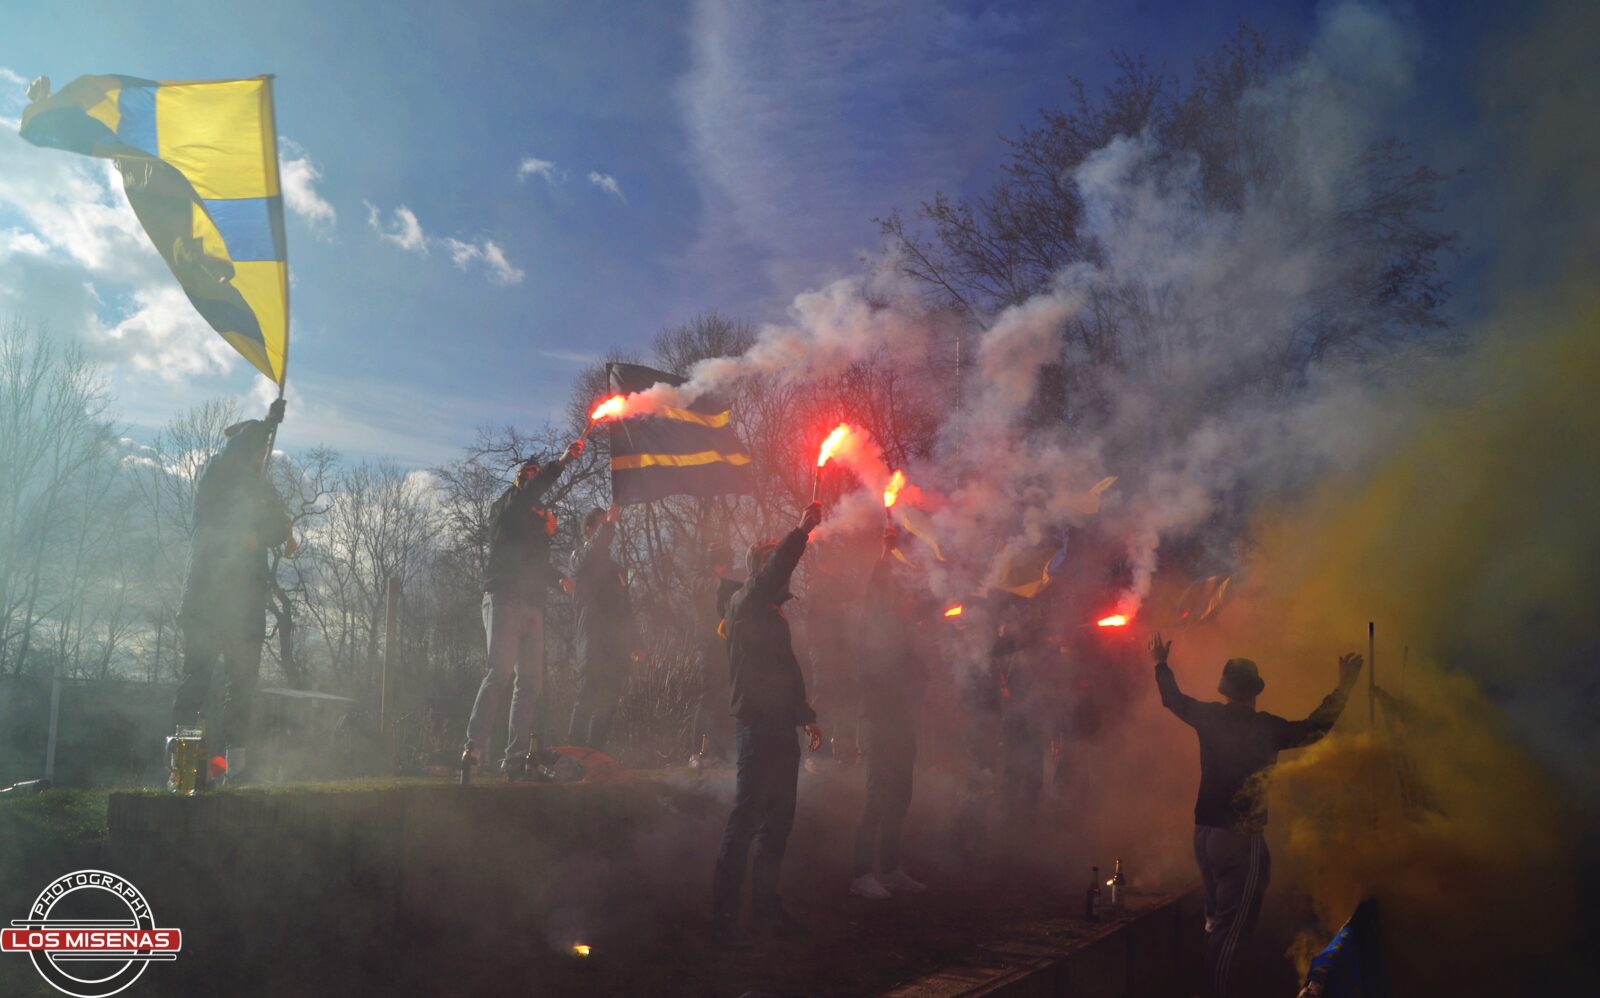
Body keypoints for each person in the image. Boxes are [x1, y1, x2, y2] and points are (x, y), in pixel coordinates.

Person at [1150, 632, 1363, 998]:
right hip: (1239, 837)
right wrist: (1344, 687)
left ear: (1226, 689)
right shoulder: (1266, 727)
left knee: (1217, 925)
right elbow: (1316, 727)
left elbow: (1172, 698)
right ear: (1255, 692)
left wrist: (1160, 663)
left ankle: (1216, 985)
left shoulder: (1210, 716)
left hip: (1204, 834)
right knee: (1231, 936)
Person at [710, 501, 826, 947]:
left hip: (781, 726)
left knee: (778, 823)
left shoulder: (772, 613)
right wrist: (800, 532)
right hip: (757, 726)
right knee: (746, 821)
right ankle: (724, 923)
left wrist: (806, 717)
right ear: (759, 569)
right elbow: (771, 573)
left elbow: (785, 671)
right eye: (772, 558)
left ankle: (765, 913)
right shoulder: (745, 600)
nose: (786, 570)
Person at [171, 399, 294, 784]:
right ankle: (185, 768)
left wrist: (274, 528)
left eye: (263, 454)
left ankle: (233, 770)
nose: (261, 460)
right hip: (209, 599)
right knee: (197, 682)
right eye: (257, 452)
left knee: (241, 689)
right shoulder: (219, 475)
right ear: (245, 451)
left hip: (245, 605)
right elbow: (219, 518)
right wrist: (267, 424)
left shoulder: (257, 487)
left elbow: (278, 532)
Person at [461, 438, 585, 783]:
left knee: (530, 682)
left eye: (535, 473)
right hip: (503, 599)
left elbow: (537, 568)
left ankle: (513, 758)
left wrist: (560, 579)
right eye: (527, 474)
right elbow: (529, 493)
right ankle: (473, 748)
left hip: (533, 607)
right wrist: (562, 460)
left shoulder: (534, 531)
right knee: (499, 672)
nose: (532, 478)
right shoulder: (507, 507)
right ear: (520, 481)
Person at [849, 524, 930, 900]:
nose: (906, 600)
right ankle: (861, 874)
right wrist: (885, 555)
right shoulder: (874, 628)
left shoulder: (903, 629)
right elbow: (874, 597)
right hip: (878, 719)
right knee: (877, 795)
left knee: (900, 794)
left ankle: (889, 867)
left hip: (901, 721)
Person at [565, 505, 639, 751]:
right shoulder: (579, 558)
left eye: (607, 526)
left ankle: (595, 754)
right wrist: (609, 524)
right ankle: (573, 753)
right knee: (587, 696)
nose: (607, 530)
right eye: (599, 525)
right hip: (592, 640)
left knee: (609, 701)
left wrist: (635, 642)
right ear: (589, 531)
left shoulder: (617, 569)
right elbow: (593, 552)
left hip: (615, 645)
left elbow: (625, 607)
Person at [691, 540, 739, 762]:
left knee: (722, 700)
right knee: (708, 699)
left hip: (723, 648)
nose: (725, 568)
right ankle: (697, 751)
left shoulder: (723, 582)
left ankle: (718, 751)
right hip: (709, 649)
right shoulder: (702, 582)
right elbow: (715, 589)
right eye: (722, 563)